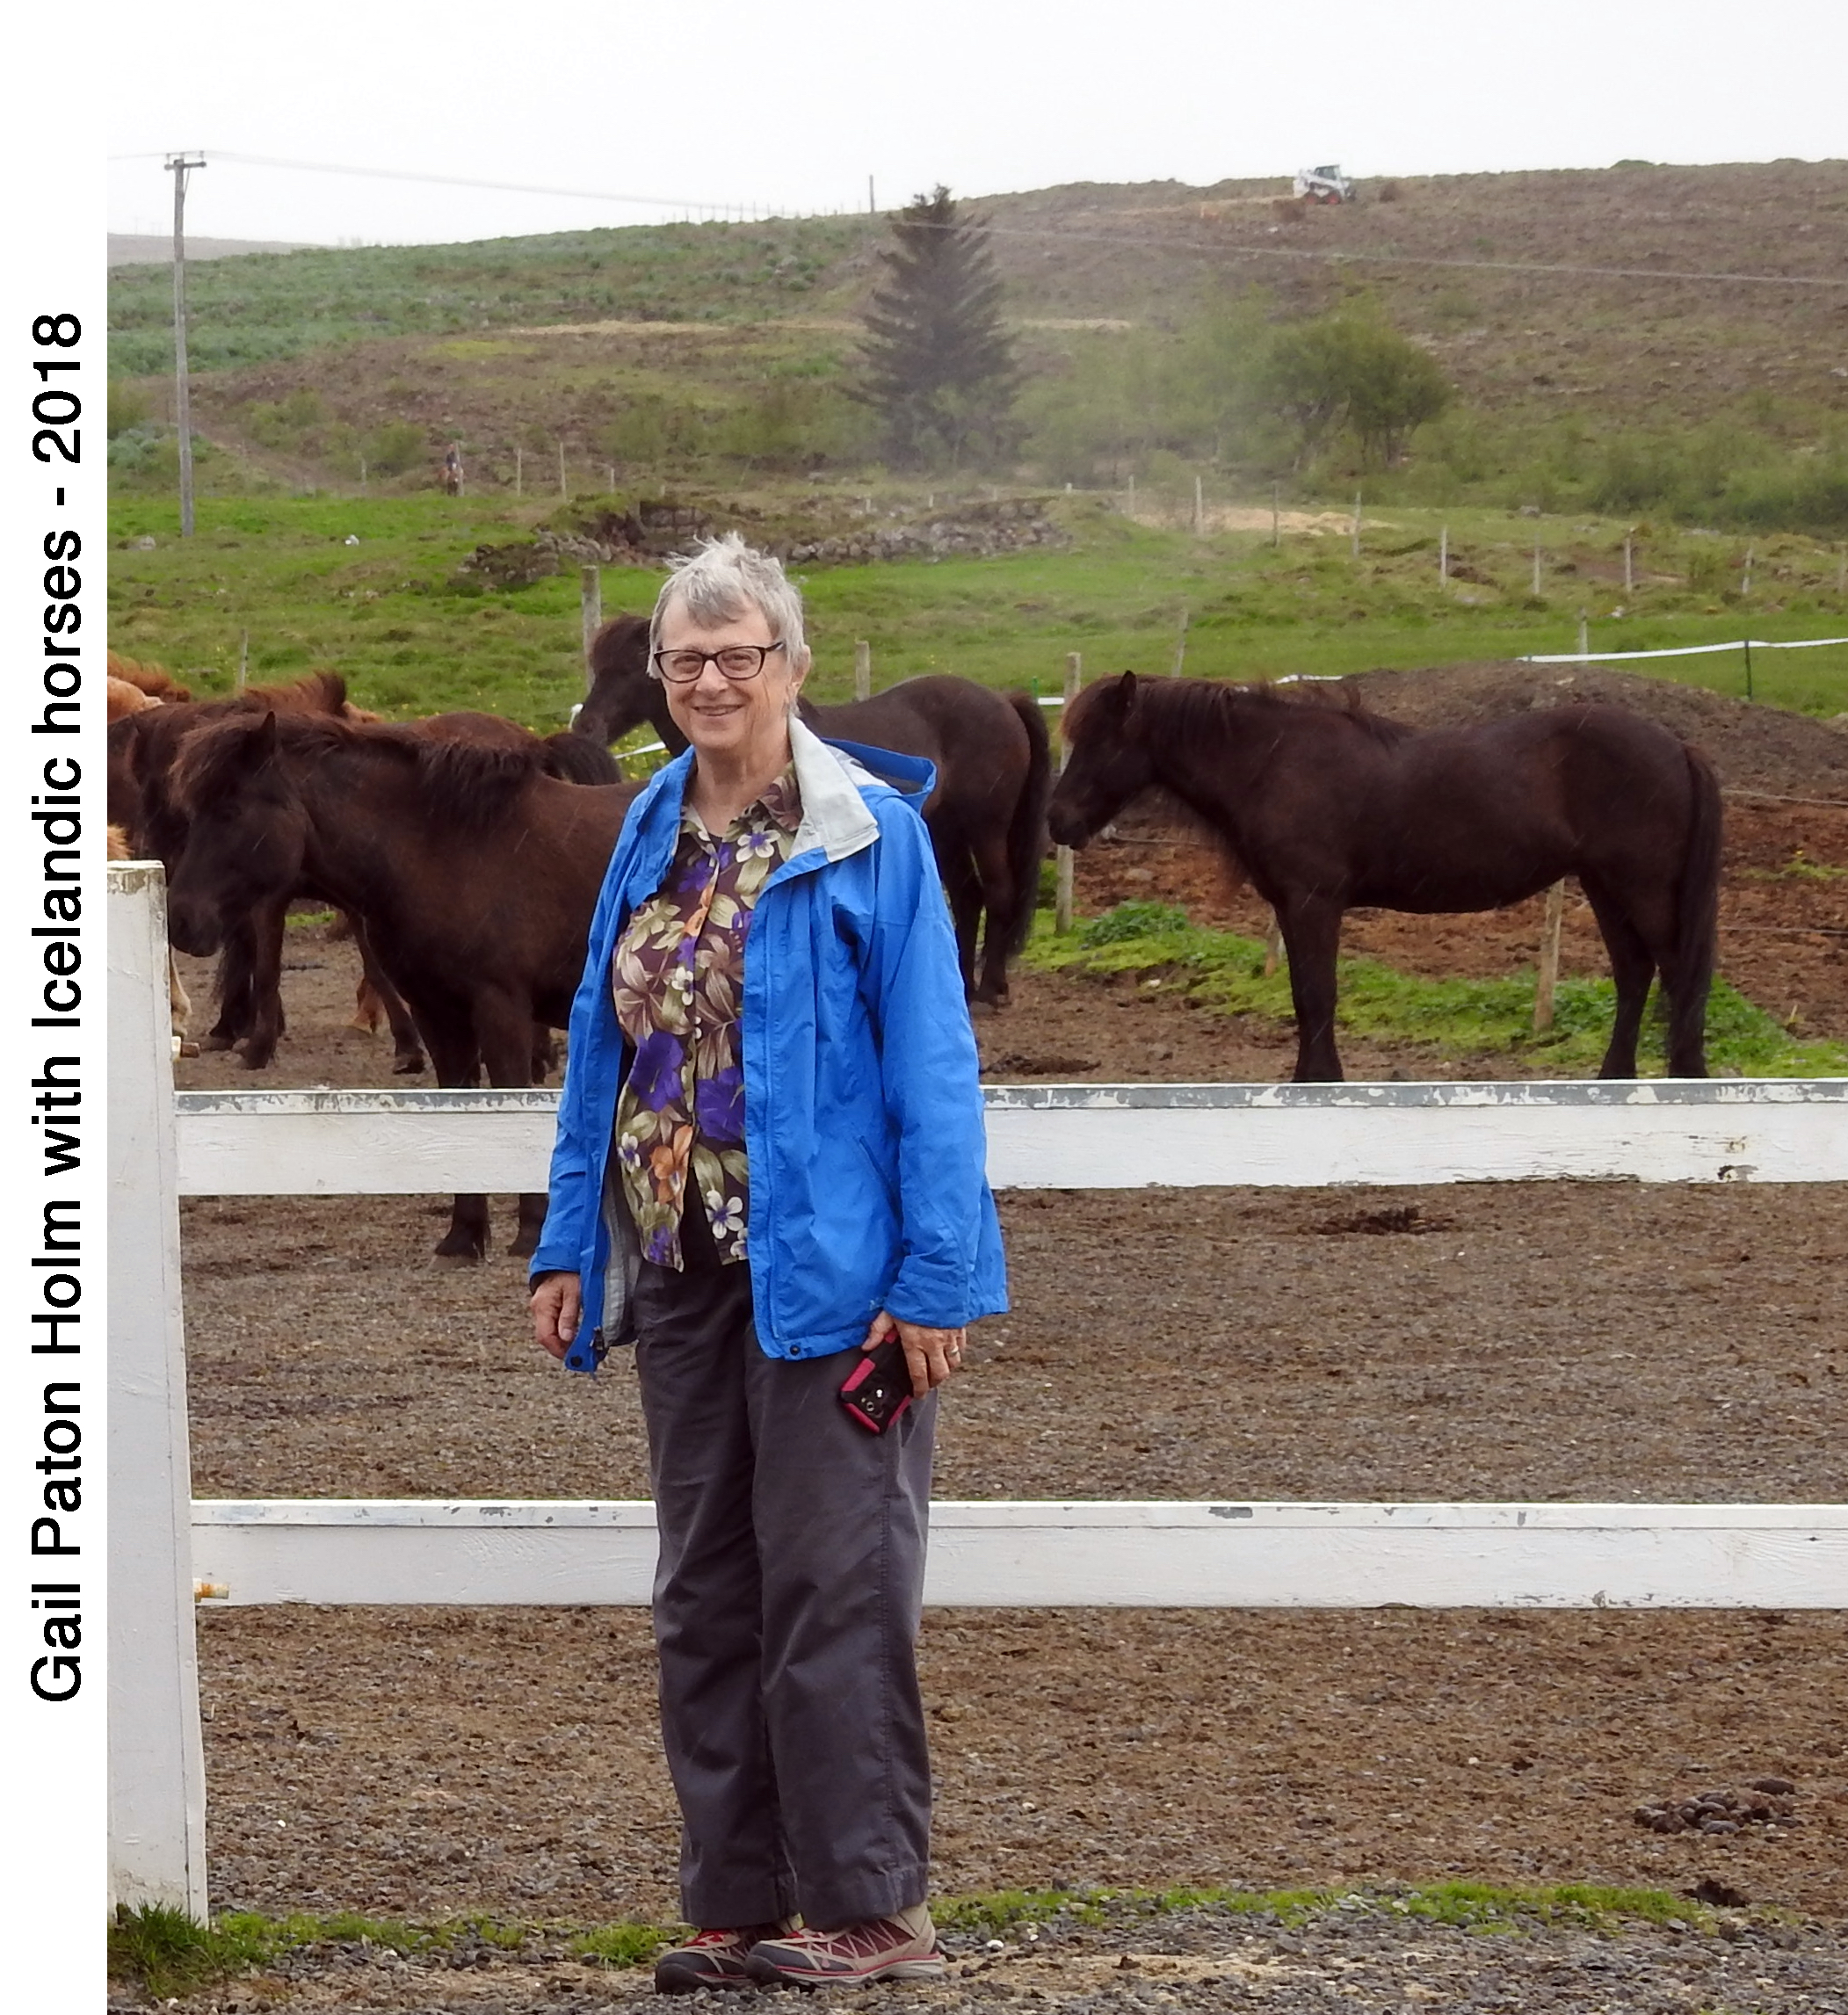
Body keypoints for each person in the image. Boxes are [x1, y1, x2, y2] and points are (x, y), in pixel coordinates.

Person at [529, 533, 1006, 1992]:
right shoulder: (650, 823)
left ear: (794, 666)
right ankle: (737, 1896)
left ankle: (872, 1907)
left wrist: (938, 1278)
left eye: (743, 653)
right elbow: (603, 1050)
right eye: (690, 657)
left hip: (837, 1281)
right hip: (681, 1263)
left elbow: (936, 1069)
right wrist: (567, 1237)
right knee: (707, 1587)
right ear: (660, 678)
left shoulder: (870, 834)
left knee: (834, 1582)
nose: (715, 677)